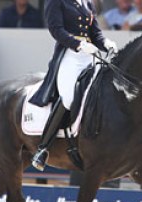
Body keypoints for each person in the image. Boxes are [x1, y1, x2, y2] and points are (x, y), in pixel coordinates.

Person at [29, 0, 118, 171]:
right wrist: (78, 44)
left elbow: (95, 34)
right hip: (69, 55)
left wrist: (105, 43)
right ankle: (43, 148)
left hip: (89, 55)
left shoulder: (88, 3)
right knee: (69, 98)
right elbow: (56, 30)